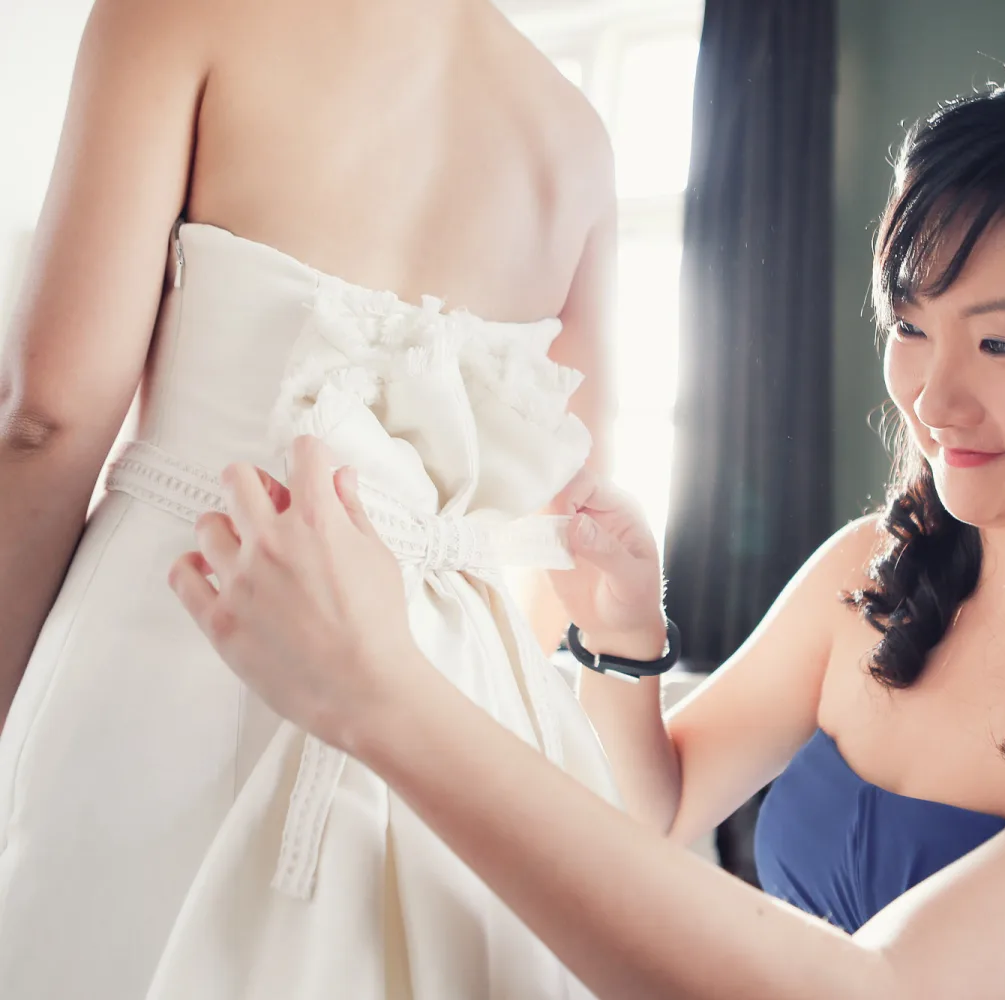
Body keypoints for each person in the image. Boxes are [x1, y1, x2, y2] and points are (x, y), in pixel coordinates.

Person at [173, 72, 1005, 999]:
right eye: (911, 327)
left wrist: (379, 700)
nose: (934, 399)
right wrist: (628, 644)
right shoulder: (869, 570)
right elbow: (658, 813)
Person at [0, 0, 619, 996]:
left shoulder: (181, 15)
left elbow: (51, 412)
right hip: (455, 702)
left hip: (185, 618)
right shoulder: (574, 135)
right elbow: (570, 509)